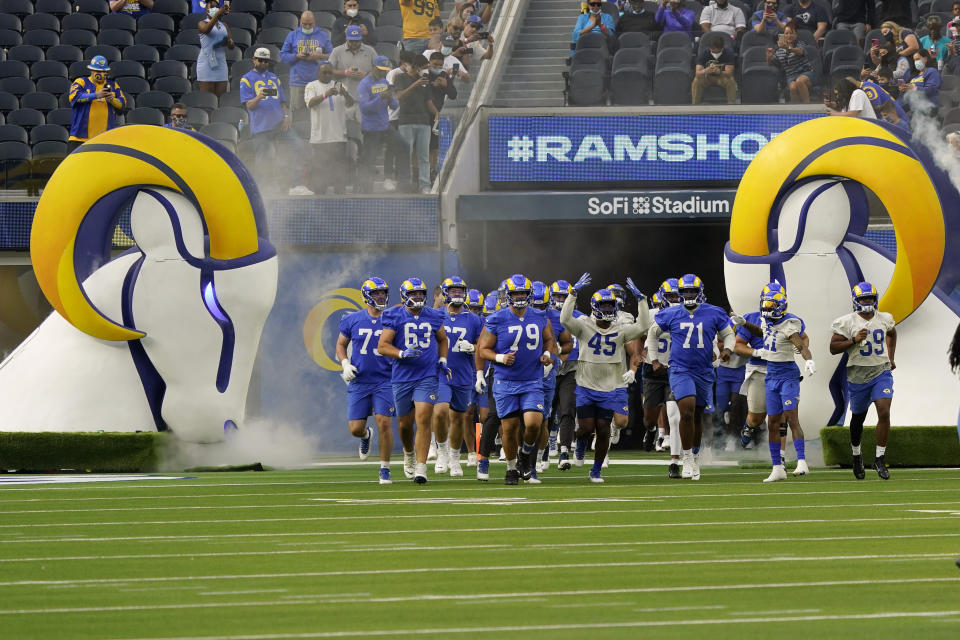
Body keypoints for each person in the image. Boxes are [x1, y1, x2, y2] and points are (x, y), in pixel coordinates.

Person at [647, 274, 736, 481]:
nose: (688, 295)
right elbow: (653, 333)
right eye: (685, 291)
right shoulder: (671, 313)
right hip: (680, 369)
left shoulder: (713, 312)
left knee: (696, 416)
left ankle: (694, 454)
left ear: (699, 292)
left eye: (692, 291)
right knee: (686, 412)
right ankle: (686, 458)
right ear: (680, 293)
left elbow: (728, 334)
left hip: (704, 370)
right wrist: (654, 360)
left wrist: (728, 350)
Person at [560, 275, 648, 483]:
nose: (608, 310)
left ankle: (597, 469)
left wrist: (641, 300)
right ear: (595, 307)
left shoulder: (620, 329)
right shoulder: (583, 325)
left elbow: (643, 326)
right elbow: (564, 319)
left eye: (611, 306)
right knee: (585, 428)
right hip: (586, 385)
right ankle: (580, 444)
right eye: (604, 305)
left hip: (609, 386)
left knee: (602, 429)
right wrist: (572, 295)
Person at [477, 274, 558, 485]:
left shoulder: (540, 316)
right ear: (508, 295)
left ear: (529, 294)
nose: (520, 296)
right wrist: (499, 357)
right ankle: (511, 468)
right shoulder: (497, 318)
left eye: (523, 292)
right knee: (510, 428)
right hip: (505, 381)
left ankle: (525, 456)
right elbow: (482, 349)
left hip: (532, 380)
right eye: (516, 293)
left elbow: (550, 341)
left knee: (533, 424)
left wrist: (548, 355)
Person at [377, 277, 450, 485]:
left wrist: (443, 358)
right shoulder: (394, 316)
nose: (417, 297)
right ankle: (409, 453)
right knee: (405, 424)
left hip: (427, 375)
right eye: (413, 294)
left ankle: (421, 467)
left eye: (420, 293)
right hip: (402, 377)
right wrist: (401, 353)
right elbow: (383, 346)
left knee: (424, 418)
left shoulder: (434, 316)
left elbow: (443, 339)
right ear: (404, 296)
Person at [830, 282, 896, 480]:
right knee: (858, 418)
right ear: (856, 301)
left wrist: (891, 358)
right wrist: (853, 340)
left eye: (870, 299)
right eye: (863, 299)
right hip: (857, 375)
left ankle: (879, 458)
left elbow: (892, 333)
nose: (867, 302)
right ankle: (857, 455)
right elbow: (833, 348)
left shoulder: (885, 318)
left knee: (884, 411)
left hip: (881, 371)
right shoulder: (846, 322)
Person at [336, 278, 396, 484]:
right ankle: (365, 436)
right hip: (361, 381)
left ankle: (385, 469)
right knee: (355, 429)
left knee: (384, 422)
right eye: (376, 293)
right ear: (367, 296)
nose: (380, 296)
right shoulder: (352, 319)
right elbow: (340, 345)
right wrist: (345, 364)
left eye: (383, 292)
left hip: (385, 379)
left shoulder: (392, 318)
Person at [756, 290, 815, 483]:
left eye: (771, 305)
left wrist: (809, 360)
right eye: (766, 305)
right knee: (772, 422)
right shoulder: (766, 322)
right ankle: (777, 467)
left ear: (780, 307)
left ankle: (801, 461)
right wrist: (744, 324)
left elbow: (801, 345)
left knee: (791, 417)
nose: (767, 308)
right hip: (771, 376)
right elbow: (765, 334)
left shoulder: (789, 324)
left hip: (787, 375)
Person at [239, 48, 313, 196]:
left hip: (279, 124)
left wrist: (286, 116)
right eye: (260, 60)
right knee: (263, 159)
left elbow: (283, 102)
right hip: (261, 126)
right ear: (254, 60)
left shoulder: (274, 78)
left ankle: (295, 184)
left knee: (298, 146)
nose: (263, 63)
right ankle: (264, 188)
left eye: (266, 61)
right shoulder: (246, 79)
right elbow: (248, 105)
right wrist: (259, 96)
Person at [432, 277, 483, 477]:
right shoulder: (435, 315)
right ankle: (442, 453)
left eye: (460, 291)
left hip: (463, 373)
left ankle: (454, 458)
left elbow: (484, 347)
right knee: (441, 412)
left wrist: (473, 348)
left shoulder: (473, 319)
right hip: (441, 372)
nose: (457, 294)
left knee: (459, 418)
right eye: (453, 291)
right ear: (445, 293)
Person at [529, 282, 574, 477]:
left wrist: (556, 359)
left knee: (542, 420)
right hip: (524, 374)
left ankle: (539, 457)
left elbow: (568, 344)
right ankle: (523, 459)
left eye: (542, 306)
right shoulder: (515, 316)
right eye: (535, 306)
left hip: (547, 375)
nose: (539, 310)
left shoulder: (556, 318)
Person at [304, 61, 354, 195]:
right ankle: (320, 200)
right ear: (318, 73)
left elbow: (350, 104)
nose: (327, 75)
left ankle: (341, 200)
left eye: (330, 72)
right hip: (320, 137)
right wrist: (326, 94)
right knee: (321, 172)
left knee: (339, 172)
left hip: (338, 136)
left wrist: (345, 94)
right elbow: (310, 103)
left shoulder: (341, 85)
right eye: (324, 72)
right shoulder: (311, 86)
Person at [733, 284, 773, 451]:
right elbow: (738, 346)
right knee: (757, 417)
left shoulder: (790, 320)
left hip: (782, 371)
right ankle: (749, 426)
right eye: (769, 302)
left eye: (776, 303)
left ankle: (780, 455)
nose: (772, 306)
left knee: (780, 415)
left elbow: (803, 339)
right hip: (758, 370)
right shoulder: (753, 318)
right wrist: (757, 352)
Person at [356, 56, 404, 193]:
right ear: (373, 68)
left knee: (402, 147)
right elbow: (365, 108)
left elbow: (394, 106)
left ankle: (401, 181)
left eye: (385, 71)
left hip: (385, 125)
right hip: (371, 128)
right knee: (369, 159)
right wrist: (380, 98)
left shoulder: (384, 82)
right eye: (381, 70)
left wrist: (390, 97)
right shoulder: (364, 84)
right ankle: (366, 189)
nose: (383, 73)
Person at [394, 54, 438, 194]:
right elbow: (399, 96)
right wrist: (415, 84)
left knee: (424, 155)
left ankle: (425, 184)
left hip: (424, 121)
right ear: (416, 67)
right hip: (406, 121)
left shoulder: (425, 81)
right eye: (424, 68)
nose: (426, 71)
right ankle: (405, 183)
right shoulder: (401, 77)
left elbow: (428, 101)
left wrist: (436, 113)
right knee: (406, 154)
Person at [551, 280, 583, 471]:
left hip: (572, 366)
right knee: (547, 411)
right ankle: (544, 449)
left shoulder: (581, 318)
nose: (561, 300)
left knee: (568, 409)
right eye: (558, 296)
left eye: (565, 296)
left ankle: (564, 450)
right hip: (549, 368)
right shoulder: (545, 316)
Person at [68, 56, 128, 153]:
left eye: (103, 71)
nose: (100, 74)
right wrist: (96, 95)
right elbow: (74, 96)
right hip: (79, 138)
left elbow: (123, 104)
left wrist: (112, 100)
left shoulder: (113, 85)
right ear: (91, 70)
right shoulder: (81, 82)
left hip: (104, 140)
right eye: (97, 71)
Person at [281, 11, 333, 118]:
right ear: (300, 22)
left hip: (318, 81)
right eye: (304, 24)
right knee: (298, 116)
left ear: (314, 22)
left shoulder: (323, 35)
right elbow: (283, 56)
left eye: (310, 24)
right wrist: (296, 56)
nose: (307, 26)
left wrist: (320, 56)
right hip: (297, 82)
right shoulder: (292, 35)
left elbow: (332, 56)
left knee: (318, 114)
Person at [767, 21, 816, 103]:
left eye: (791, 33)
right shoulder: (778, 49)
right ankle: (796, 111)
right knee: (793, 87)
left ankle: (807, 107)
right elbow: (772, 63)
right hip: (791, 76)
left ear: (796, 35)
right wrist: (769, 56)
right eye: (786, 33)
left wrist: (787, 48)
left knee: (799, 81)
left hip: (805, 72)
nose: (789, 36)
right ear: (783, 35)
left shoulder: (800, 44)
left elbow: (800, 52)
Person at [330, 25, 378, 108]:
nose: (354, 43)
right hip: (343, 99)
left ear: (361, 38)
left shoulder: (370, 51)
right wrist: (345, 72)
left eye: (357, 41)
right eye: (351, 41)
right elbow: (328, 71)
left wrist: (366, 75)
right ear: (346, 38)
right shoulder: (337, 51)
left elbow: (380, 71)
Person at [197, 0, 235, 97]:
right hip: (206, 64)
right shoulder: (201, 23)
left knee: (220, 99)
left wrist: (229, 42)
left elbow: (232, 46)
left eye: (216, 7)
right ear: (206, 9)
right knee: (208, 100)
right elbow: (207, 30)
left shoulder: (224, 25)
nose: (214, 8)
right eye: (212, 6)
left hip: (221, 64)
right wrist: (218, 14)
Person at [692, 35, 736, 104]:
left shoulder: (728, 53)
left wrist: (720, 71)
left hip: (721, 77)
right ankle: (695, 104)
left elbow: (730, 72)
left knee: (731, 81)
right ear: (709, 48)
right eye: (713, 51)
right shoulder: (704, 53)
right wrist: (705, 71)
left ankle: (731, 104)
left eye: (717, 51)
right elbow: (698, 73)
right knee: (696, 80)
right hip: (707, 77)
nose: (715, 53)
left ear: (722, 48)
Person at [899, 49, 941, 115]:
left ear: (925, 59)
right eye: (914, 60)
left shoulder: (932, 71)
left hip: (927, 107)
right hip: (913, 107)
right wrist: (905, 88)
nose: (916, 62)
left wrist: (914, 88)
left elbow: (932, 89)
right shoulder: (915, 75)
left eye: (918, 59)